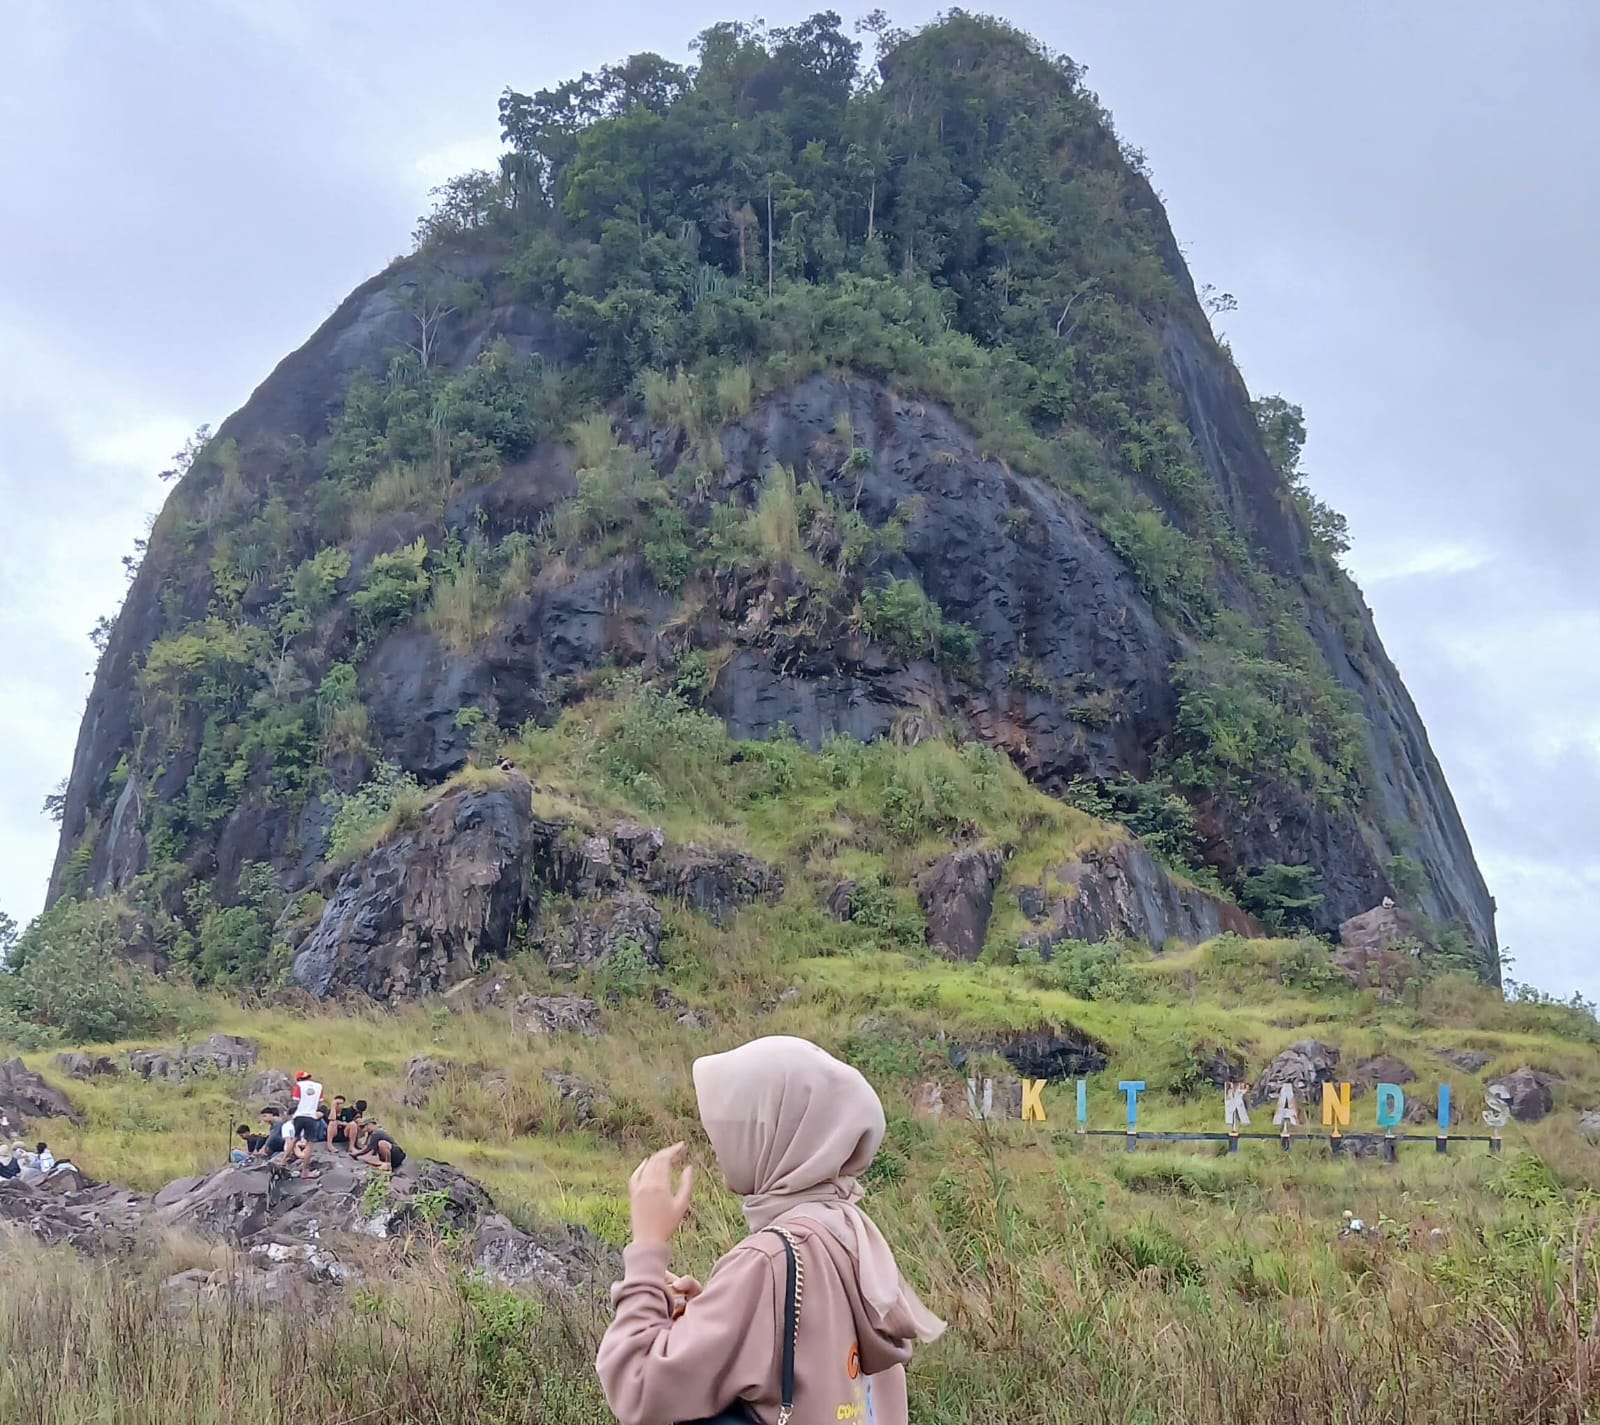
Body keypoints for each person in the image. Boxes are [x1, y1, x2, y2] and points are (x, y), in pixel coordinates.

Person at [595, 1036, 944, 1425]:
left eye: (735, 1127)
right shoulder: (849, 1235)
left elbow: (638, 1388)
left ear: (774, 1133)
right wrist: (716, 1310)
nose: (717, 1145)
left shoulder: (768, 1261)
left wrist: (647, 1246)